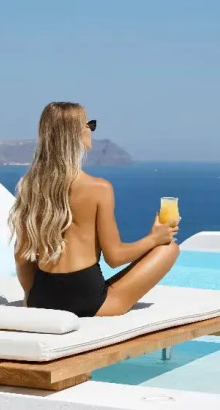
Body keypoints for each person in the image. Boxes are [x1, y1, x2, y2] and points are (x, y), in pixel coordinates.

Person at [9, 102, 180, 316]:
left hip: (42, 297)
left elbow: (21, 256)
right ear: (75, 133)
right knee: (169, 249)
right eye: (89, 124)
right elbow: (115, 257)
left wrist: (30, 295)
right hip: (88, 300)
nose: (91, 129)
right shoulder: (99, 188)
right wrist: (154, 238)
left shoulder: (30, 186)